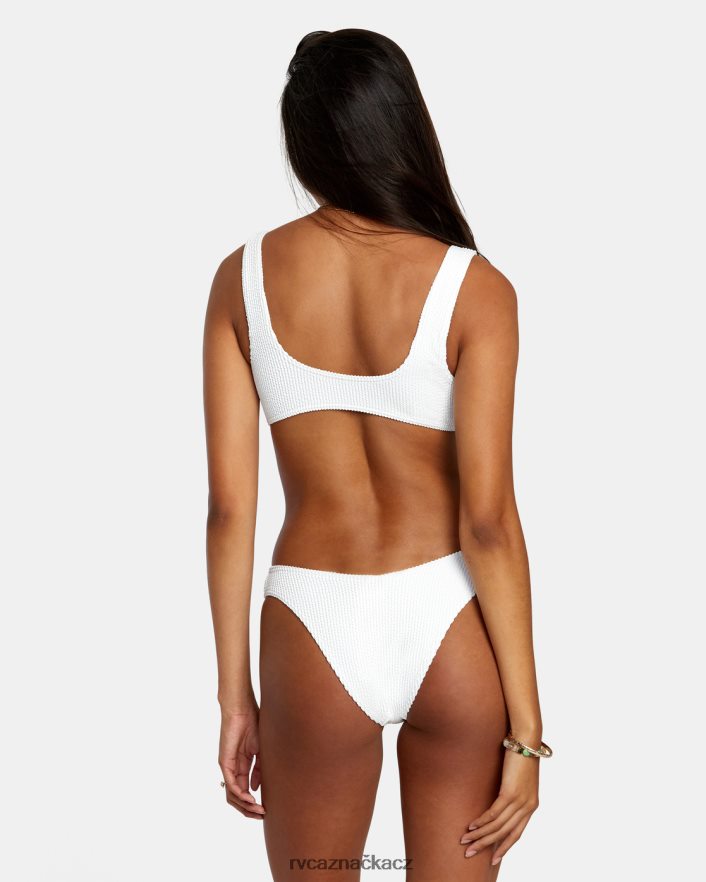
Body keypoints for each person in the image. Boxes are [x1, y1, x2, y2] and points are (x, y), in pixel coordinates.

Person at [202, 28, 550, 882]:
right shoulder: (476, 288)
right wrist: (528, 733)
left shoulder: (242, 280)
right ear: (402, 126)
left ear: (304, 142)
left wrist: (235, 695)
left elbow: (230, 511)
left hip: (311, 628)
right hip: (450, 624)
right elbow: (489, 523)